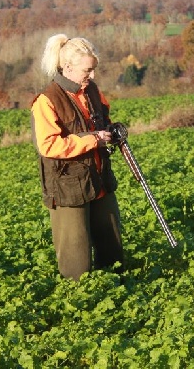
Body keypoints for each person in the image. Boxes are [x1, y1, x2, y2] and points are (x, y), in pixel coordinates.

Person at [31, 34, 124, 281]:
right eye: (87, 71)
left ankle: (116, 291)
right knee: (76, 263)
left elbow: (103, 118)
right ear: (67, 67)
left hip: (99, 179)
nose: (92, 77)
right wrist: (93, 139)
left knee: (112, 249)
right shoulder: (46, 100)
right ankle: (80, 305)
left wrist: (112, 132)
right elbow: (48, 146)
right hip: (68, 188)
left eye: (93, 70)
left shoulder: (92, 90)